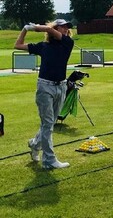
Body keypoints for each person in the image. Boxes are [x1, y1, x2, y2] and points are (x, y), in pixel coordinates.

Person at [14, 19, 74, 169]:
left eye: (67, 27)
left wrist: (35, 27)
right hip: (44, 87)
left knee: (50, 123)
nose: (66, 29)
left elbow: (49, 31)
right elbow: (18, 45)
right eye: (63, 27)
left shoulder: (68, 43)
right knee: (47, 124)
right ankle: (49, 160)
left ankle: (35, 144)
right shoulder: (43, 46)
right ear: (56, 27)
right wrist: (25, 29)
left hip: (61, 86)